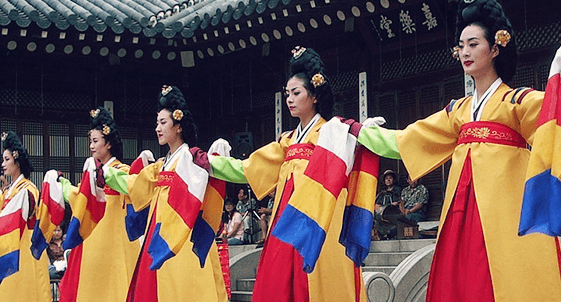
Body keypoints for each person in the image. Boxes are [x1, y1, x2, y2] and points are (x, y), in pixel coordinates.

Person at [357, 0, 561, 301]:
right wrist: (359, 132)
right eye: (461, 46)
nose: (465, 52)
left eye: (474, 44)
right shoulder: (457, 111)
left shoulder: (517, 102)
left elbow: (560, 120)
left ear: (495, 48)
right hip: (460, 214)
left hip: (504, 215)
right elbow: (407, 140)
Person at [208, 46, 366, 302]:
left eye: (296, 93)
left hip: (318, 223)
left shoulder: (331, 134)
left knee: (318, 284)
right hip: (285, 223)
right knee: (278, 282)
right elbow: (247, 168)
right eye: (287, 94)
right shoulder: (287, 141)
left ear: (314, 96)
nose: (290, 99)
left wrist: (366, 135)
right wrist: (212, 164)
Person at [103, 85, 228, 302]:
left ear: (178, 126)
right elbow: (134, 184)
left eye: (163, 123)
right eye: (157, 123)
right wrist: (108, 174)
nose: (157, 128)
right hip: (158, 231)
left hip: (182, 234)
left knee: (181, 290)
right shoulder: (161, 164)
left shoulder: (190, 160)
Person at [58, 107, 140, 302]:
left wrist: (107, 176)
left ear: (108, 143)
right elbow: (79, 199)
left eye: (96, 141)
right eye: (90, 142)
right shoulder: (92, 172)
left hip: (115, 243)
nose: (92, 147)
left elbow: (134, 190)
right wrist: (63, 185)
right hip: (93, 242)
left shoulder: (121, 170)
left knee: (116, 288)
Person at [0, 131, 50, 302]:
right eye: (3, 160)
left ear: (17, 161)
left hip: (23, 248)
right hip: (6, 247)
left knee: (22, 292)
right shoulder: (8, 191)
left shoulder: (28, 189)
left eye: (7, 160)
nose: (3, 164)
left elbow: (12, 215)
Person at [373, 170, 402, 239]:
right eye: (386, 178)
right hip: (382, 215)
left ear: (394, 180)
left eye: (390, 178)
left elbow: (399, 202)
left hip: (393, 215)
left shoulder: (398, 190)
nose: (388, 180)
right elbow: (377, 205)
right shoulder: (382, 192)